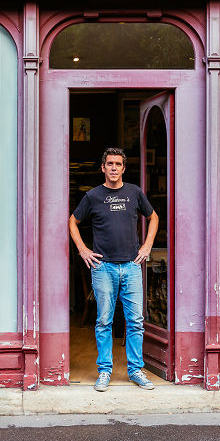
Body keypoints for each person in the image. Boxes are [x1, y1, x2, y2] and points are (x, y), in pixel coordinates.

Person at [69, 147, 159, 392]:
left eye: (118, 164)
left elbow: (154, 217)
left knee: (135, 321)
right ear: (103, 168)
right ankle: (105, 371)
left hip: (131, 266)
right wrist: (83, 250)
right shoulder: (93, 196)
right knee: (104, 321)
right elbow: (73, 221)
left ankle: (135, 371)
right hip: (103, 267)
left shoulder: (134, 193)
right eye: (109, 164)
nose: (114, 168)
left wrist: (147, 245)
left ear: (123, 168)